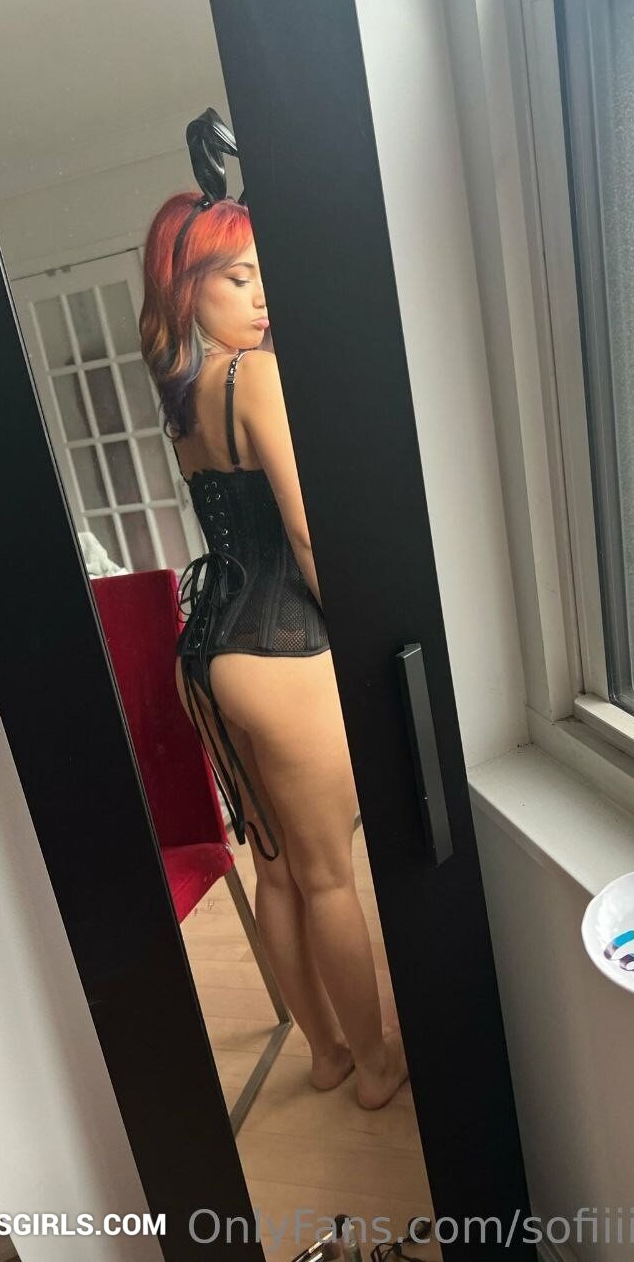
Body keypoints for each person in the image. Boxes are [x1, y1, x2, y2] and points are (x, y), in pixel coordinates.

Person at [139, 175, 408, 1110]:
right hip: (282, 651)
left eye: (262, 275)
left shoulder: (183, 396)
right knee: (330, 876)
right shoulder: (253, 375)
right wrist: (364, 633)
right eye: (239, 277)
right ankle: (376, 1070)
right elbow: (302, 532)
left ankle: (328, 1055)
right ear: (189, 289)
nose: (262, 296)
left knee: (278, 869)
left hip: (206, 656)